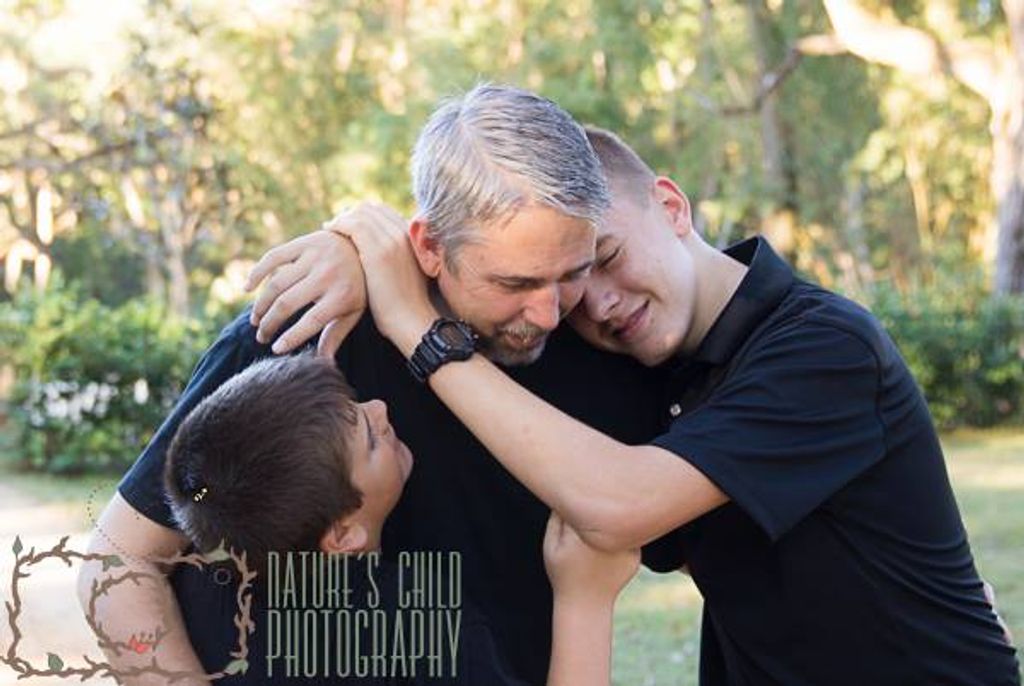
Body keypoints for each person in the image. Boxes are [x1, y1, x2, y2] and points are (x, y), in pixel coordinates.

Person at [253, 126, 1021, 684]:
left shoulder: (824, 348)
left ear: (672, 206)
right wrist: (356, 249)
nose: (595, 304)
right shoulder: (644, 364)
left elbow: (618, 507)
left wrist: (410, 320)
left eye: (607, 259)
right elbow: (483, 224)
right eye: (568, 283)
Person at [78, 84, 662, 686]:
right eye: (514, 283)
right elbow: (119, 562)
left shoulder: (609, 350)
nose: (549, 312)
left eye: (573, 272)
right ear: (429, 246)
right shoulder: (302, 330)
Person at [161, 354, 637, 685]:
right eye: (370, 440)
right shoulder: (417, 624)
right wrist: (585, 601)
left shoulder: (197, 586)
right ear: (342, 534)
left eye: (356, 401)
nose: (381, 409)